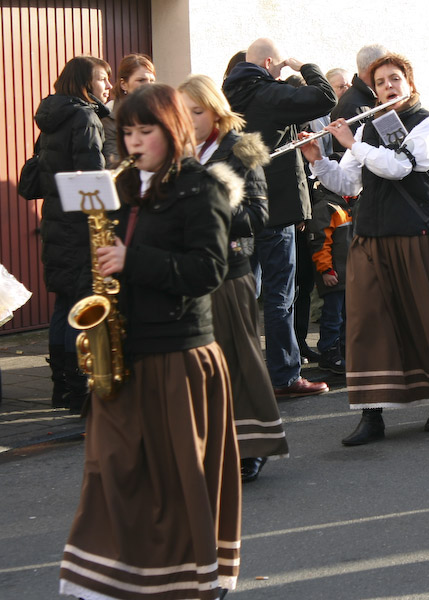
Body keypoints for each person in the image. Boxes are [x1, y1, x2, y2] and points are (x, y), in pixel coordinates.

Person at [59, 83, 241, 600]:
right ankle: (107, 580)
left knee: (172, 479)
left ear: (172, 130)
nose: (135, 142)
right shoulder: (119, 185)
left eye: (147, 131)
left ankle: (186, 578)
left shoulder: (200, 187)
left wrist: (130, 261)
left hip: (176, 356)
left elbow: (209, 270)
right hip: (123, 351)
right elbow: (104, 252)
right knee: (111, 468)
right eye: (128, 132)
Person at [299, 52, 429, 445]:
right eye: (380, 83)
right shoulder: (369, 127)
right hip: (369, 238)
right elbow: (350, 184)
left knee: (423, 317)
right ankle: (371, 415)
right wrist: (319, 159)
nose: (388, 87)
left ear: (409, 82)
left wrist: (350, 143)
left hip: (416, 238)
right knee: (366, 326)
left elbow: (399, 167)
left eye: (395, 79)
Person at [179, 73, 289, 482]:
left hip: (230, 270)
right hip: (188, 275)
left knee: (239, 360)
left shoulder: (240, 148)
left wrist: (204, 213)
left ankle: (252, 445)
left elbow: (258, 215)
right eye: (182, 112)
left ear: (215, 110)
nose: (189, 120)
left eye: (196, 111)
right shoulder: (176, 151)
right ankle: (208, 444)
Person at [222, 37, 334, 398]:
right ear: (269, 62)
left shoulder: (225, 93)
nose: (281, 71)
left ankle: (237, 372)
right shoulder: (267, 93)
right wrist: (304, 68)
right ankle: (284, 375)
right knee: (279, 296)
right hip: (274, 210)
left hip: (239, 210)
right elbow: (324, 97)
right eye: (279, 65)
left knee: (242, 293)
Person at [33, 55, 112, 414]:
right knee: (80, 303)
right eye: (102, 79)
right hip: (80, 224)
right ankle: (80, 391)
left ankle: (61, 389)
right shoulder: (83, 116)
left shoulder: (51, 117)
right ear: (85, 83)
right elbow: (93, 175)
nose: (108, 86)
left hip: (55, 220)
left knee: (63, 302)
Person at [307, 184, 351, 375]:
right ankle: (329, 352)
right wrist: (326, 269)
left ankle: (342, 351)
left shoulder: (346, 206)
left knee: (345, 316)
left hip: (348, 276)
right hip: (334, 275)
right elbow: (320, 242)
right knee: (333, 316)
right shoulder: (327, 207)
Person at [330, 44, 389, 156]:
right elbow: (348, 156)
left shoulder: (374, 99)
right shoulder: (351, 106)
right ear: (373, 68)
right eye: (385, 66)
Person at [102, 53, 156, 167]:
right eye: (141, 80)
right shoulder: (110, 117)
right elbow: (113, 162)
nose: (148, 86)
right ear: (124, 84)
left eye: (152, 81)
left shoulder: (161, 113)